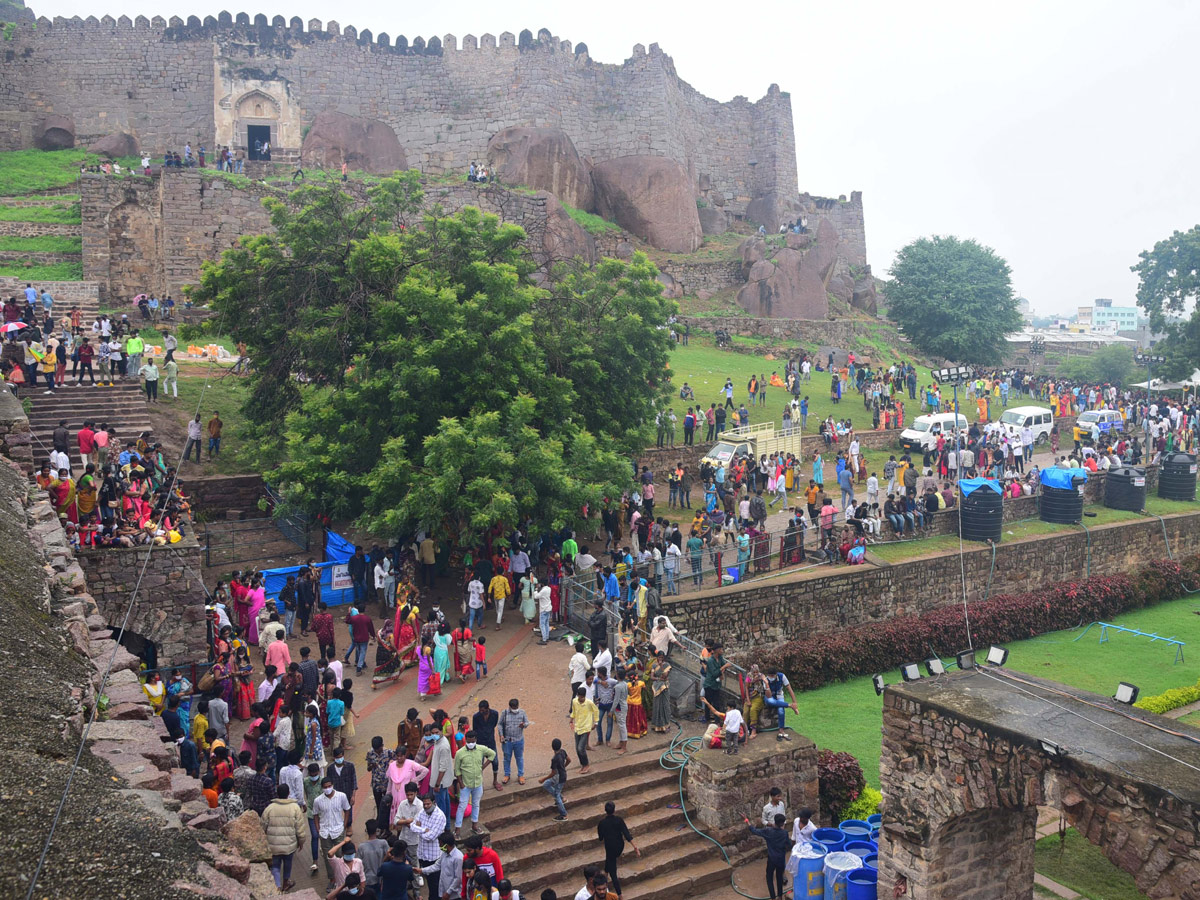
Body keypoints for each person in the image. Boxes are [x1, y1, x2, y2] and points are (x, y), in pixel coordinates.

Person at [262, 783, 307, 891]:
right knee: (288, 863)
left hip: (273, 845)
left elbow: (262, 826)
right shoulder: (295, 808)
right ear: (288, 794)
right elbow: (300, 828)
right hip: (289, 845)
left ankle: (277, 887)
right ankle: (286, 882)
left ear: (277, 794)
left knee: (275, 866)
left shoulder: (269, 808)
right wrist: (301, 842)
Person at [453, 730, 497, 836]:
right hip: (465, 784)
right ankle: (457, 829)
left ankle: (475, 826)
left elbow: (492, 754)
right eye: (468, 742)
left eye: (472, 741)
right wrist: (461, 783)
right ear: (466, 741)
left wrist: (484, 766)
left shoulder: (481, 749)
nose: (470, 744)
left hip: (478, 783)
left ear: (475, 740)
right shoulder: (460, 753)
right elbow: (457, 770)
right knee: (462, 806)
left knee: (476, 804)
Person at [313, 776, 352, 888]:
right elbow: (315, 814)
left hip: (338, 830)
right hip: (324, 832)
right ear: (322, 788)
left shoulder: (341, 796)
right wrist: (318, 828)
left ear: (333, 785)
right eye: (325, 787)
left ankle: (342, 877)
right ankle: (332, 879)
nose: (327, 789)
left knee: (339, 855)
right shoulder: (318, 800)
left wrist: (344, 825)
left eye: (329, 786)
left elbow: (347, 809)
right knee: (327, 857)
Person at [596, 801, 639, 897]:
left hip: (610, 848)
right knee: (609, 861)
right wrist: (635, 847)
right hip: (619, 847)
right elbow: (627, 834)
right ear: (614, 810)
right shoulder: (619, 820)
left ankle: (620, 895)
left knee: (613, 873)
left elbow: (600, 838)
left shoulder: (602, 823)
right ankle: (605, 874)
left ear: (605, 811)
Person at [745, 813, 792, 899]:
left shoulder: (768, 831)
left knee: (769, 877)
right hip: (781, 860)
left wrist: (746, 820)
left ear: (775, 822)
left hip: (771, 860)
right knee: (779, 878)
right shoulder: (784, 833)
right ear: (783, 823)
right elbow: (789, 845)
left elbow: (754, 830)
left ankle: (773, 897)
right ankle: (780, 897)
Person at [497, 698, 529, 786]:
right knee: (507, 758)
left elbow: (527, 722)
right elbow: (499, 724)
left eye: (516, 707)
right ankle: (507, 774)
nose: (515, 709)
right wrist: (501, 734)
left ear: (518, 706)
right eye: (513, 708)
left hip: (519, 740)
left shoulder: (522, 712)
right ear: (510, 707)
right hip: (507, 741)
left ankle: (521, 775)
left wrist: (524, 725)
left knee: (519, 758)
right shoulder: (505, 713)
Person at [539, 738, 571, 821]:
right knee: (547, 785)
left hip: (558, 777)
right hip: (562, 775)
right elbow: (569, 760)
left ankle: (564, 814)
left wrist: (543, 778)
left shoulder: (554, 759)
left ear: (552, 747)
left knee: (556, 795)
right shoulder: (563, 752)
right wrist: (564, 767)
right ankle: (561, 798)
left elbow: (553, 773)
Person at [569, 686, 598, 774]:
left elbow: (596, 711)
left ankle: (586, 764)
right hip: (577, 727)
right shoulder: (574, 701)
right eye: (579, 697)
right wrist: (571, 719)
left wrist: (595, 723)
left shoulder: (589, 703)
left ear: (584, 696)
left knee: (581, 748)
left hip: (586, 727)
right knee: (577, 749)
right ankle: (583, 764)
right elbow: (574, 711)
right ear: (577, 695)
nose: (581, 699)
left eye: (582, 697)